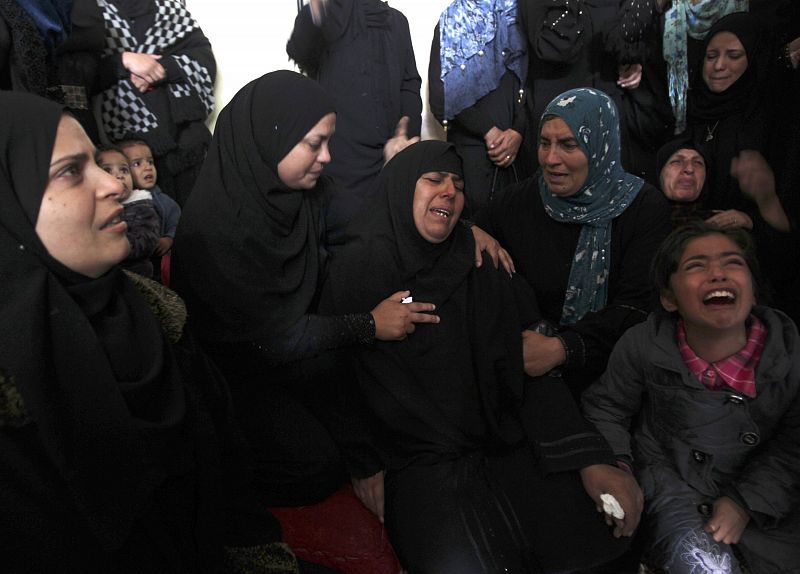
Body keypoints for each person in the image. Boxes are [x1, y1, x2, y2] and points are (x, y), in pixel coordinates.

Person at [0, 90, 304, 573]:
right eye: (70, 172)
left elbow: (230, 491)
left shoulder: (157, 318)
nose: (114, 184)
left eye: (100, 163)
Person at [325, 139, 643, 574]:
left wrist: (588, 457)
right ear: (401, 188)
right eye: (433, 180)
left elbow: (529, 367)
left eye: (457, 184)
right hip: (418, 462)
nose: (449, 192)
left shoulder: (482, 265)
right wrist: (362, 462)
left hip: (501, 439)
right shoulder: (357, 270)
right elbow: (335, 376)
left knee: (593, 547)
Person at [172, 71, 444, 507]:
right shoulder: (214, 233)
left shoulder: (304, 194)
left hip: (297, 349)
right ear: (270, 139)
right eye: (314, 143)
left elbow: (373, 220)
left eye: (328, 141)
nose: (327, 157)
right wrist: (368, 325)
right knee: (315, 465)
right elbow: (267, 344)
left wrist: (462, 231)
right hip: (238, 371)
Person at [582, 221, 800, 573]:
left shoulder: (790, 357)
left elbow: (793, 445)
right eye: (696, 265)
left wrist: (747, 501)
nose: (717, 274)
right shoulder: (644, 345)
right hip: (672, 479)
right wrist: (616, 467)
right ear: (669, 297)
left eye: (732, 263)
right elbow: (606, 407)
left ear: (755, 291)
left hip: (768, 492)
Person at [478, 87, 672, 396]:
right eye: (544, 143)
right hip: (528, 371)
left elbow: (637, 308)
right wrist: (472, 232)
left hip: (615, 375)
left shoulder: (643, 208)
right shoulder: (519, 202)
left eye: (569, 144)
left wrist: (562, 348)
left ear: (601, 145)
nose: (551, 159)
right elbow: (474, 228)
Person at [286, 0, 422, 248]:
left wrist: (406, 134)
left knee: (390, 242)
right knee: (345, 244)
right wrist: (317, 10)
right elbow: (299, 51)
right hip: (342, 162)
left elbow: (410, 83)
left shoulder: (397, 21)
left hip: (391, 158)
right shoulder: (327, 14)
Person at [93, 0, 216, 206]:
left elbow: (204, 58)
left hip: (188, 142)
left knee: (205, 214)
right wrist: (124, 61)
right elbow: (80, 72)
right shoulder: (93, 13)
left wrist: (161, 68)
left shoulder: (170, 10)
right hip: (129, 152)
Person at [427, 0, 528, 216]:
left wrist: (518, 131)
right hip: (471, 160)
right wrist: (487, 131)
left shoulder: (519, 17)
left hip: (520, 154)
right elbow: (440, 98)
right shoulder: (450, 23)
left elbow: (533, 83)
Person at [120, 138, 181, 281]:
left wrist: (169, 239)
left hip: (159, 266)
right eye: (137, 163)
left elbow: (178, 223)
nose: (147, 167)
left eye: (150, 162)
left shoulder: (165, 201)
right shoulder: (121, 202)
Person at [97, 144, 160, 277]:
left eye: (124, 170)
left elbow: (147, 240)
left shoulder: (141, 205)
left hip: (138, 277)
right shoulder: (95, 208)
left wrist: (110, 248)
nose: (119, 176)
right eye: (108, 171)